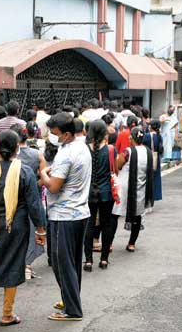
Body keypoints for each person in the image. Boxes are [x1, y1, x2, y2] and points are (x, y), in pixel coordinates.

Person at [0, 130, 47, 326]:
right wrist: (41, 228)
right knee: (14, 266)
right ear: (17, 149)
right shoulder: (24, 171)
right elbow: (34, 204)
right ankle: (7, 315)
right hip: (16, 227)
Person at [40, 113, 92, 321]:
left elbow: (53, 186)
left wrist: (44, 173)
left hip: (64, 215)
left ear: (67, 134)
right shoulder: (81, 147)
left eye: (55, 133)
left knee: (61, 263)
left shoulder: (65, 154)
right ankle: (71, 299)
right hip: (79, 212)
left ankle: (72, 309)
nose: (52, 137)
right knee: (72, 261)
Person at [113, 128, 155, 251]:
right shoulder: (148, 152)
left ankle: (109, 243)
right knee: (137, 216)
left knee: (114, 215)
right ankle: (131, 244)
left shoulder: (127, 152)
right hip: (140, 188)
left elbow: (117, 165)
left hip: (124, 188)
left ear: (131, 138)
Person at [15, 124, 47, 280]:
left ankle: (17, 263)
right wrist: (33, 186)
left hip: (13, 197)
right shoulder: (37, 155)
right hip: (33, 197)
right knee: (33, 227)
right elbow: (45, 177)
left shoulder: (9, 156)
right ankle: (27, 264)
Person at [83, 120, 116, 271]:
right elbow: (115, 169)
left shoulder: (85, 149)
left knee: (89, 225)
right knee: (106, 224)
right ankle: (104, 259)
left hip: (89, 192)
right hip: (106, 192)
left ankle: (88, 260)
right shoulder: (110, 150)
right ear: (104, 133)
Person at [146, 119, 164, 202]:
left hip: (148, 158)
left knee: (147, 178)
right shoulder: (159, 136)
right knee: (156, 178)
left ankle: (148, 196)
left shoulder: (147, 136)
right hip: (156, 159)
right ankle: (155, 195)